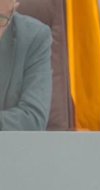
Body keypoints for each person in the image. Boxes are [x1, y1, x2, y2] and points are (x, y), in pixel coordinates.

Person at [0, 0, 52, 131]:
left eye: (0, 19)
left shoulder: (34, 38)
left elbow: (33, 119)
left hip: (11, 148)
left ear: (13, 11)